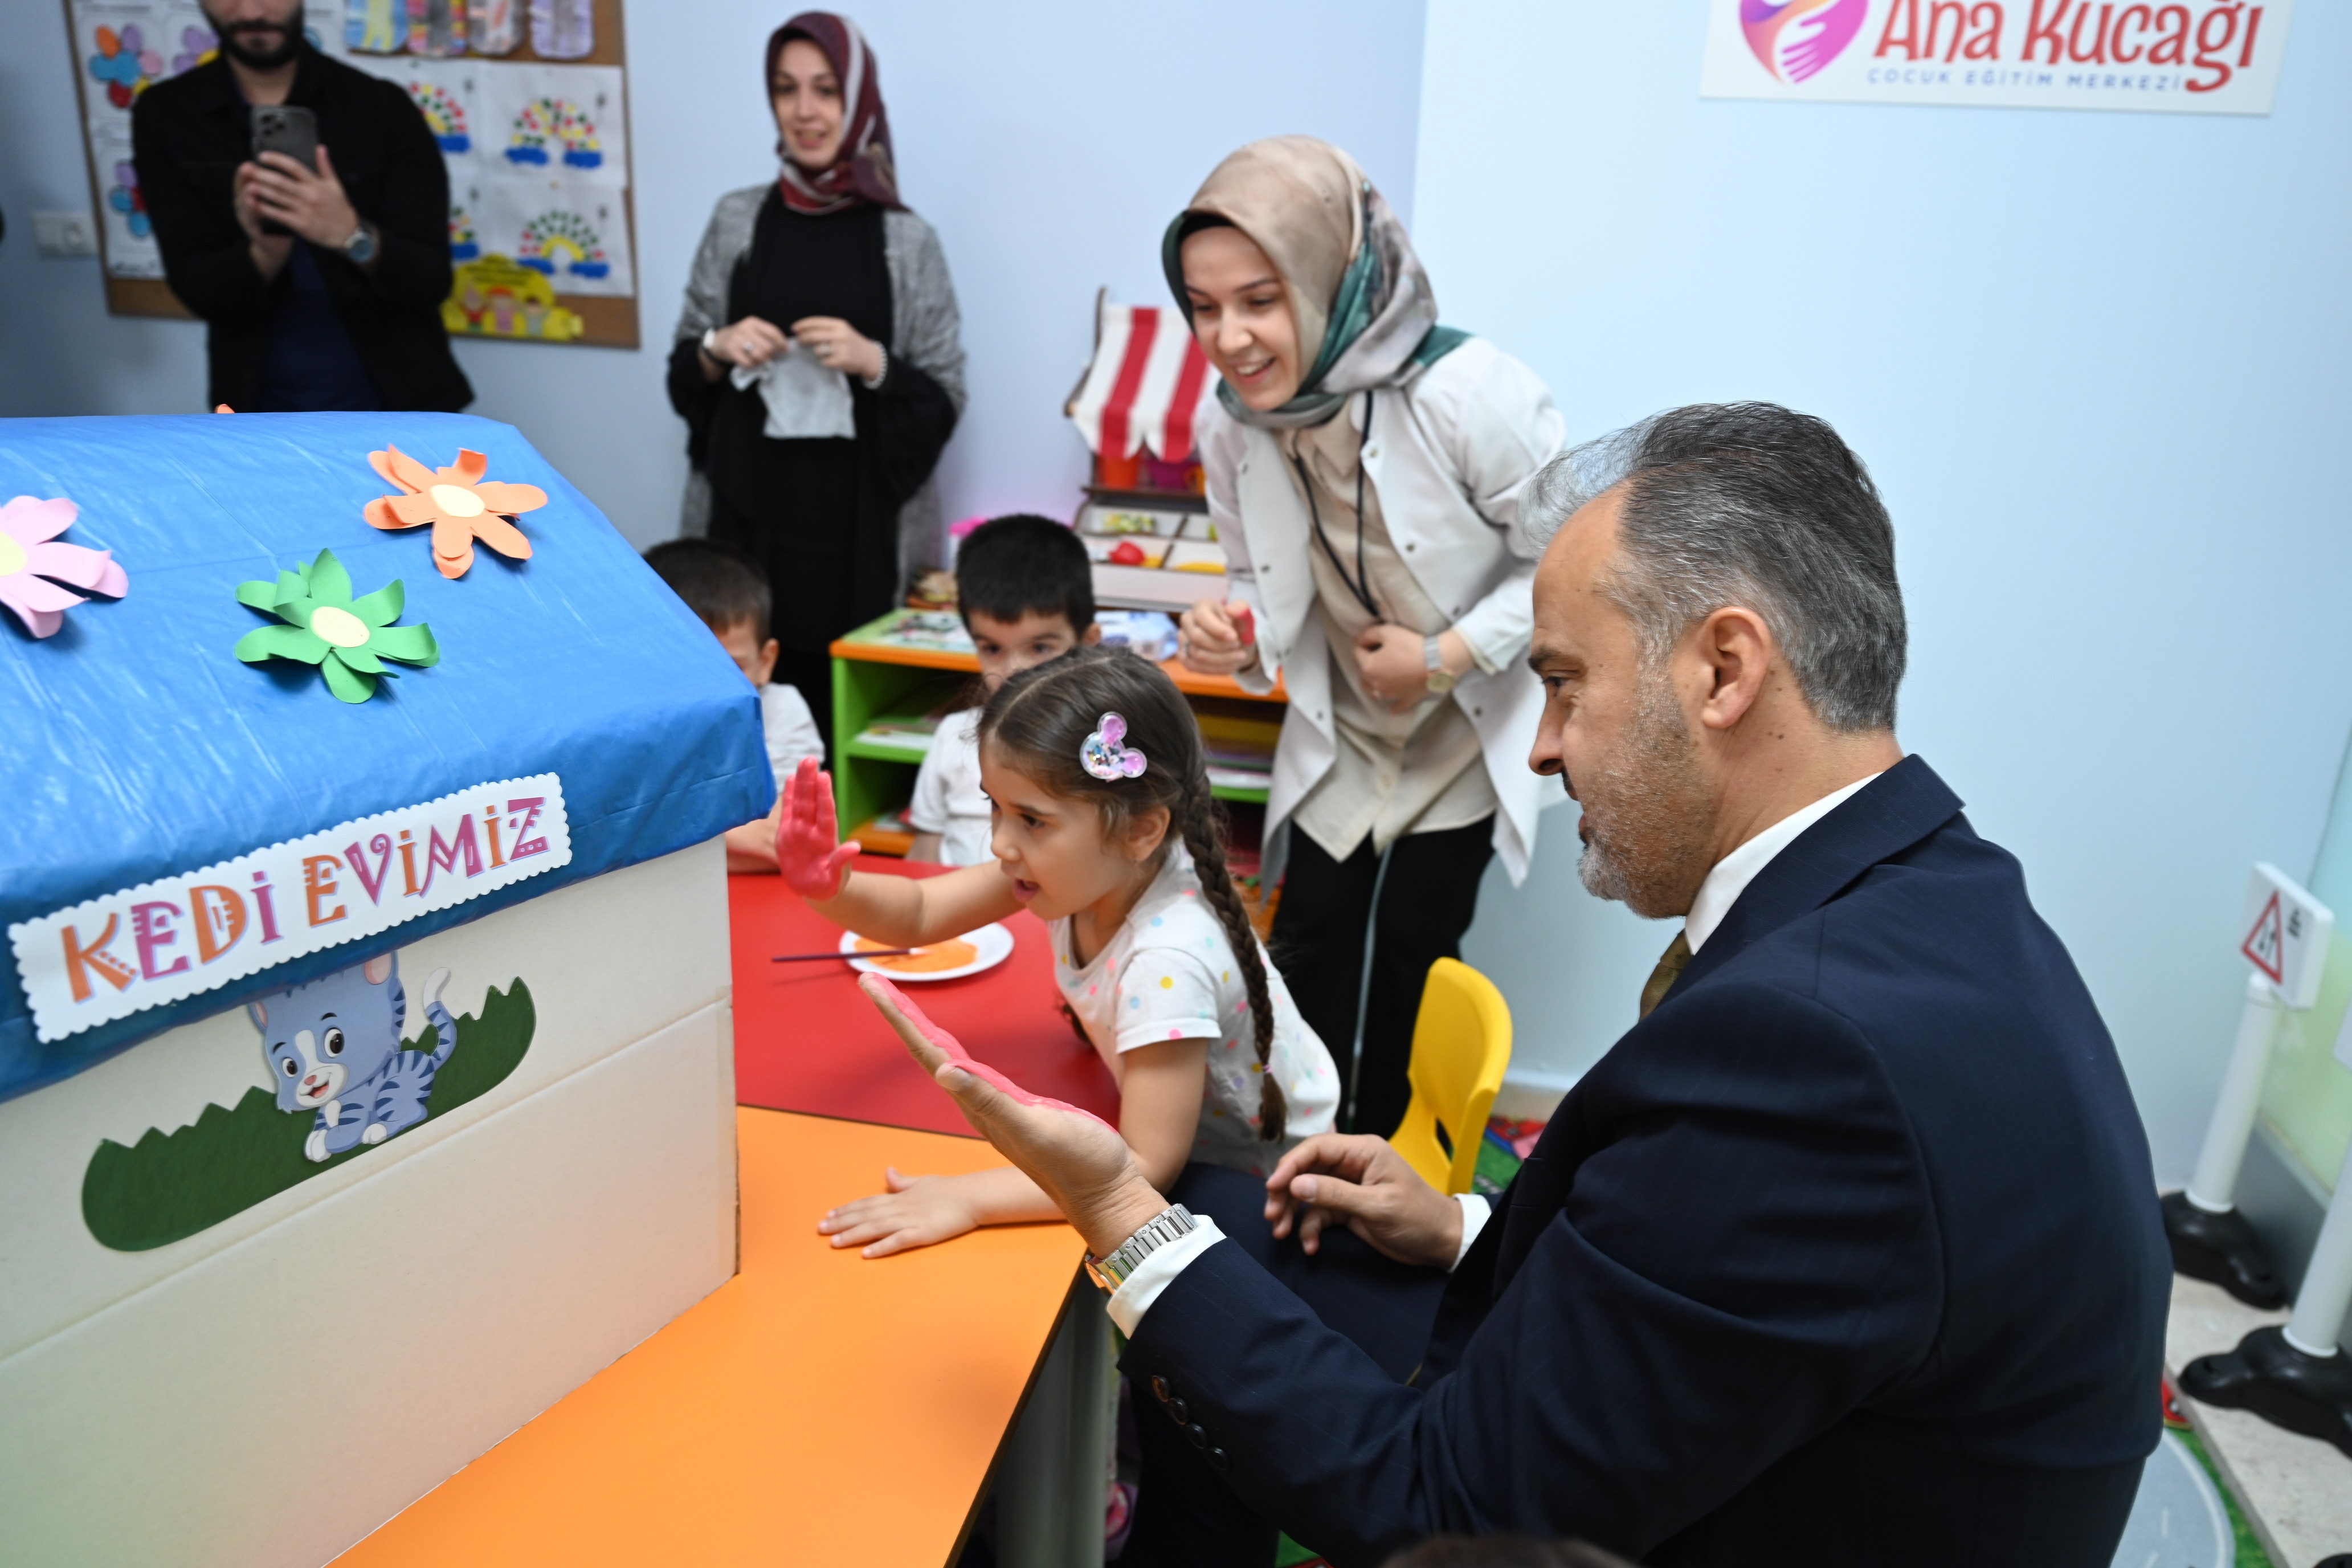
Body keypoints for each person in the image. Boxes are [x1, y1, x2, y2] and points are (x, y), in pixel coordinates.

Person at [858, 404, 2170, 1567]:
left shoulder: (1814, 1053)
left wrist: (1111, 1208)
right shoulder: (1932, 890)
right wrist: (1467, 1228)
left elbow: (1443, 1503)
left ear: (1724, 669)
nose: (1539, 749)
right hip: (1797, 1455)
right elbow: (1741, 1284)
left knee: (1182, 1241)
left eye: (1562, 685)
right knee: (1233, 1214)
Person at [1169, 137, 1563, 1138]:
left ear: (1333, 278)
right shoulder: (1231, 425)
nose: (1230, 338)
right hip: (1345, 727)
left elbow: (1567, 561)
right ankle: (1299, 1154)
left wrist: (1444, 657)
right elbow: (1256, 583)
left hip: (1463, 728)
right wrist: (1234, 636)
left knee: (1418, 951)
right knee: (1312, 935)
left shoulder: (1470, 395)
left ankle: (1390, 1168)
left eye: (1260, 300)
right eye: (1203, 307)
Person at [668, 11, 964, 751]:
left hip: (858, 532)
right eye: (786, 89)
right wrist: (718, 347)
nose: (805, 111)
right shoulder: (737, 220)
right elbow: (684, 374)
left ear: (859, 100)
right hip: (749, 517)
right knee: (739, 726)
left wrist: (873, 362)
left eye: (826, 90)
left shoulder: (906, 239)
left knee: (848, 727)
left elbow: (945, 392)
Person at [131, 0, 471, 413]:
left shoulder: (380, 107)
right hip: (256, 409)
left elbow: (430, 281)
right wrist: (265, 253)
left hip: (402, 404)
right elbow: (197, 291)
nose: (251, 12)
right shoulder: (167, 116)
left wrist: (349, 234)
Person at [908, 515, 1100, 866]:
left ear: (1087, 644)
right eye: (993, 649)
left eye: (1040, 648)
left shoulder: (1107, 751)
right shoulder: (952, 736)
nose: (1013, 673)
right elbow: (924, 852)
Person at [644, 538, 823, 873]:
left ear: (765, 661)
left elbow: (783, 845)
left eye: (731, 668)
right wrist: (736, 835)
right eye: (684, 669)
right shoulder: (636, 723)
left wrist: (660, 832)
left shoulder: (781, 711)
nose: (709, 690)